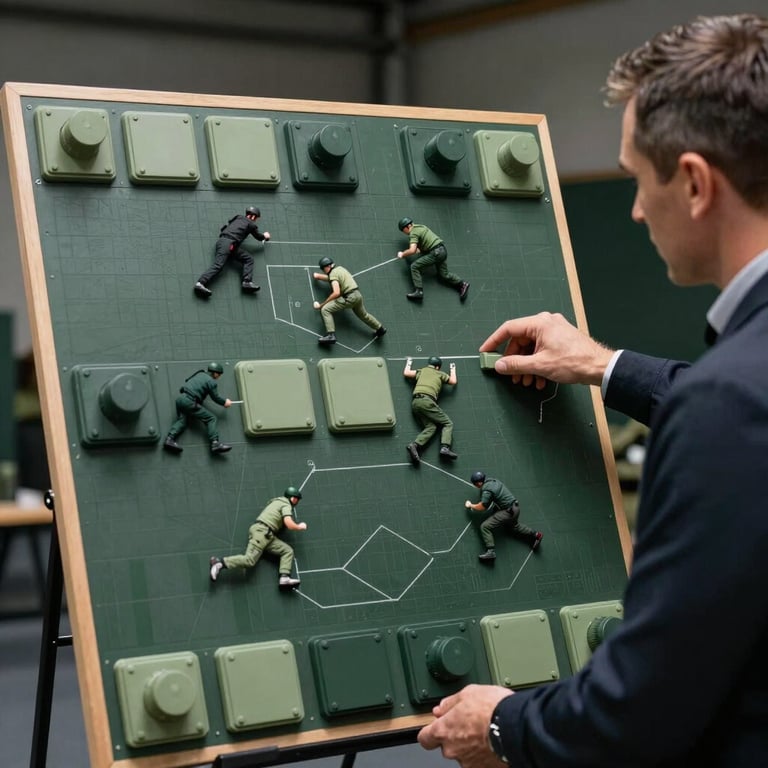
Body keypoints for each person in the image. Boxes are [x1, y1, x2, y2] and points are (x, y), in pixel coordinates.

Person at [417, 14, 768, 768]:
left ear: (697, 184)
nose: (637, 210)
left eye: (638, 180)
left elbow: (639, 709)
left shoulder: (727, 406)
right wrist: (602, 365)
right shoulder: (739, 393)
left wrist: (505, 723)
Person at [209, 487, 305, 589]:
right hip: (262, 533)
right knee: (249, 560)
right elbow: (289, 523)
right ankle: (219, 563)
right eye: (297, 499)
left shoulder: (276, 502)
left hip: (267, 535)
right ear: (293, 499)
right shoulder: (286, 504)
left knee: (287, 551)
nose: (297, 502)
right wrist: (299, 526)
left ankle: (284, 577)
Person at [194, 206, 270, 298]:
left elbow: (230, 222)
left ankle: (247, 282)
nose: (255, 220)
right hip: (228, 244)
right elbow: (258, 236)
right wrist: (265, 236)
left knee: (248, 258)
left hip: (228, 244)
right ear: (253, 217)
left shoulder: (238, 217)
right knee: (218, 265)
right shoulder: (251, 224)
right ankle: (200, 283)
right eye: (256, 218)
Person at [465, 471, 542, 561]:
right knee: (514, 526)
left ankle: (491, 552)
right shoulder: (494, 481)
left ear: (479, 483)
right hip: (515, 508)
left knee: (484, 526)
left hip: (508, 512)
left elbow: (482, 507)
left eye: (475, 484)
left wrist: (471, 505)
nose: (476, 486)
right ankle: (537, 535)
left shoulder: (486, 489)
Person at [312, 256, 386, 345]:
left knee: (325, 309)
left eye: (323, 269)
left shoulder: (333, 274)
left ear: (327, 267)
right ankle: (380, 329)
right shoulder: (340, 269)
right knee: (364, 315)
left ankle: (331, 335)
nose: (324, 271)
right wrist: (319, 277)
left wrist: (322, 305)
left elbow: (336, 293)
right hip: (357, 295)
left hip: (349, 298)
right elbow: (333, 279)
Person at [164, 363, 232, 454]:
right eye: (219, 374)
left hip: (181, 400)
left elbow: (188, 382)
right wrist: (225, 402)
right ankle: (215, 443)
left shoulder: (200, 374)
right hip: (190, 401)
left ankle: (169, 439)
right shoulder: (211, 382)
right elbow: (215, 398)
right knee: (211, 418)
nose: (219, 376)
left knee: (182, 421)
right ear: (215, 373)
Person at [396, 217, 469, 302]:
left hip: (435, 253)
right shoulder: (421, 227)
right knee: (444, 274)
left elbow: (412, 250)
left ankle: (419, 291)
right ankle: (462, 284)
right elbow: (428, 241)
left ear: (407, 227)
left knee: (414, 266)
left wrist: (402, 254)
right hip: (442, 251)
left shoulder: (413, 232)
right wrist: (420, 249)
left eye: (403, 230)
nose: (405, 233)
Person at [403, 356, 457, 464]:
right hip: (427, 402)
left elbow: (407, 373)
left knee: (431, 427)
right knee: (448, 423)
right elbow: (453, 381)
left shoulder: (422, 371)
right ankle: (445, 447)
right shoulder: (439, 373)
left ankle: (414, 445)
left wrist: (409, 362)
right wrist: (453, 369)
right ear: (437, 367)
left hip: (415, 403)